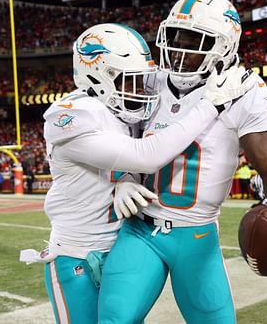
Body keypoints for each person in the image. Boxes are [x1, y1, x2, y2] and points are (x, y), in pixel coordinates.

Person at [98, 0, 267, 323]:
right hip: (140, 230)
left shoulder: (241, 89)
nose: (180, 50)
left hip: (196, 238)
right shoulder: (149, 81)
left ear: (224, 48)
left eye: (194, 41)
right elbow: (115, 135)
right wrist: (122, 178)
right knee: (114, 319)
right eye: (175, 38)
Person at [19, 23, 252, 324]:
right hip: (76, 255)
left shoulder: (121, 112)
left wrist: (126, 179)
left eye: (140, 82)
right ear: (100, 76)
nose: (139, 91)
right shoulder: (72, 115)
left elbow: (128, 158)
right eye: (130, 82)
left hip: (117, 251)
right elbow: (147, 155)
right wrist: (210, 105)